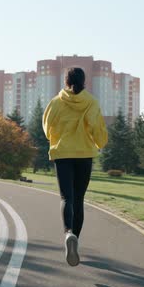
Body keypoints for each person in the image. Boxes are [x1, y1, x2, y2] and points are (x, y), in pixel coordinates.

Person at [42, 67, 108, 266]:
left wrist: (57, 138)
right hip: (84, 155)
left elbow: (46, 128)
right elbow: (98, 132)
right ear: (84, 81)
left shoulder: (56, 102)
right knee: (79, 199)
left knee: (66, 198)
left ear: (65, 81)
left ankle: (68, 233)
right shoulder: (92, 102)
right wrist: (99, 142)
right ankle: (75, 239)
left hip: (63, 155)